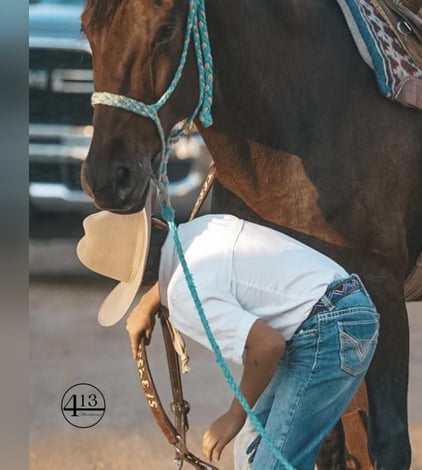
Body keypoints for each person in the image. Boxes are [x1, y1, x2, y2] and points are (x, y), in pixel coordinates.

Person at [77, 200, 379, 470]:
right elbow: (188, 265)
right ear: (156, 223)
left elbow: (267, 346)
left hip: (326, 328)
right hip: (340, 308)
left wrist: (233, 415)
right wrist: (150, 301)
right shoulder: (205, 226)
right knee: (251, 450)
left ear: (139, 279)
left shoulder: (184, 295)